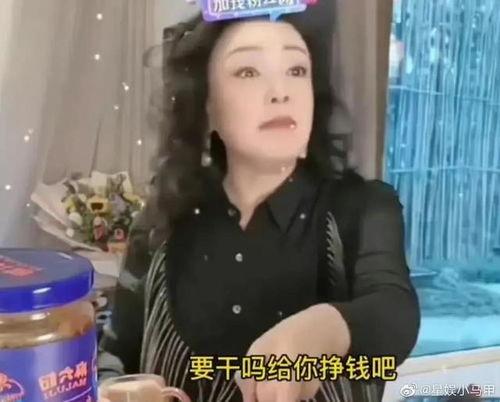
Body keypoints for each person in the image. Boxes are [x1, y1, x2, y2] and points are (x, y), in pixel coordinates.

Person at [98, 11, 421, 402]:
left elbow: (394, 314)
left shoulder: (364, 207)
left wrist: (319, 331)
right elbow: (113, 357)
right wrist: (115, 391)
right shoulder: (162, 220)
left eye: (296, 70)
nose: (280, 92)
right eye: (248, 71)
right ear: (207, 104)